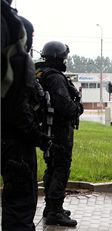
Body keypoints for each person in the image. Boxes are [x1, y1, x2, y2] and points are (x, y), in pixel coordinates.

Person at [1, 1, 44, 230]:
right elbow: (18, 107)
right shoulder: (18, 58)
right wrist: (37, 136)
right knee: (20, 204)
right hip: (15, 141)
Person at [35, 41, 82, 227]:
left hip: (49, 129)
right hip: (59, 131)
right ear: (58, 57)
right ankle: (54, 211)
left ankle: (52, 207)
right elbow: (64, 105)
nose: (65, 60)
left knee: (53, 168)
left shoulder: (43, 73)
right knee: (60, 169)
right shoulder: (55, 77)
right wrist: (77, 108)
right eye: (64, 57)